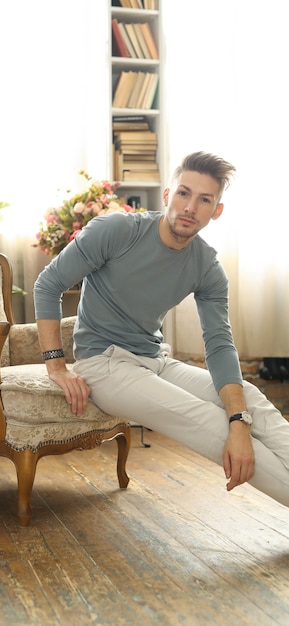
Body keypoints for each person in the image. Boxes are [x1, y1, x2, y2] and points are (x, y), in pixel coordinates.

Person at [33, 151, 289, 507]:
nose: (190, 207)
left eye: (204, 200)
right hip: (104, 365)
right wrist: (56, 366)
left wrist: (240, 419)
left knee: (251, 400)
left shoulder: (207, 266)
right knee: (211, 424)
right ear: (168, 195)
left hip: (154, 360)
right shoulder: (116, 231)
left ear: (216, 211)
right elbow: (48, 284)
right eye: (184, 193)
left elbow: (219, 345)